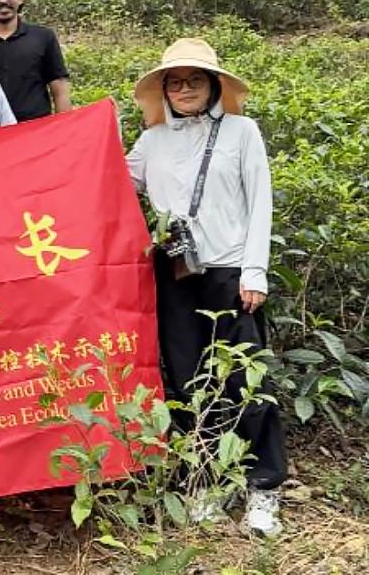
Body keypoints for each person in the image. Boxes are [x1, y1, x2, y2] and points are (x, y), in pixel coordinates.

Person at [126, 38, 287, 537]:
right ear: (165, 90)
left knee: (245, 380)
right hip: (174, 275)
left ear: (214, 85)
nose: (185, 88)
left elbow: (259, 201)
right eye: (175, 81)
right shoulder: (151, 141)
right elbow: (111, 180)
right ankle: (208, 483)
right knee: (191, 380)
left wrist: (254, 271)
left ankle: (264, 488)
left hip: (230, 272)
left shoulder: (242, 132)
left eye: (195, 80)